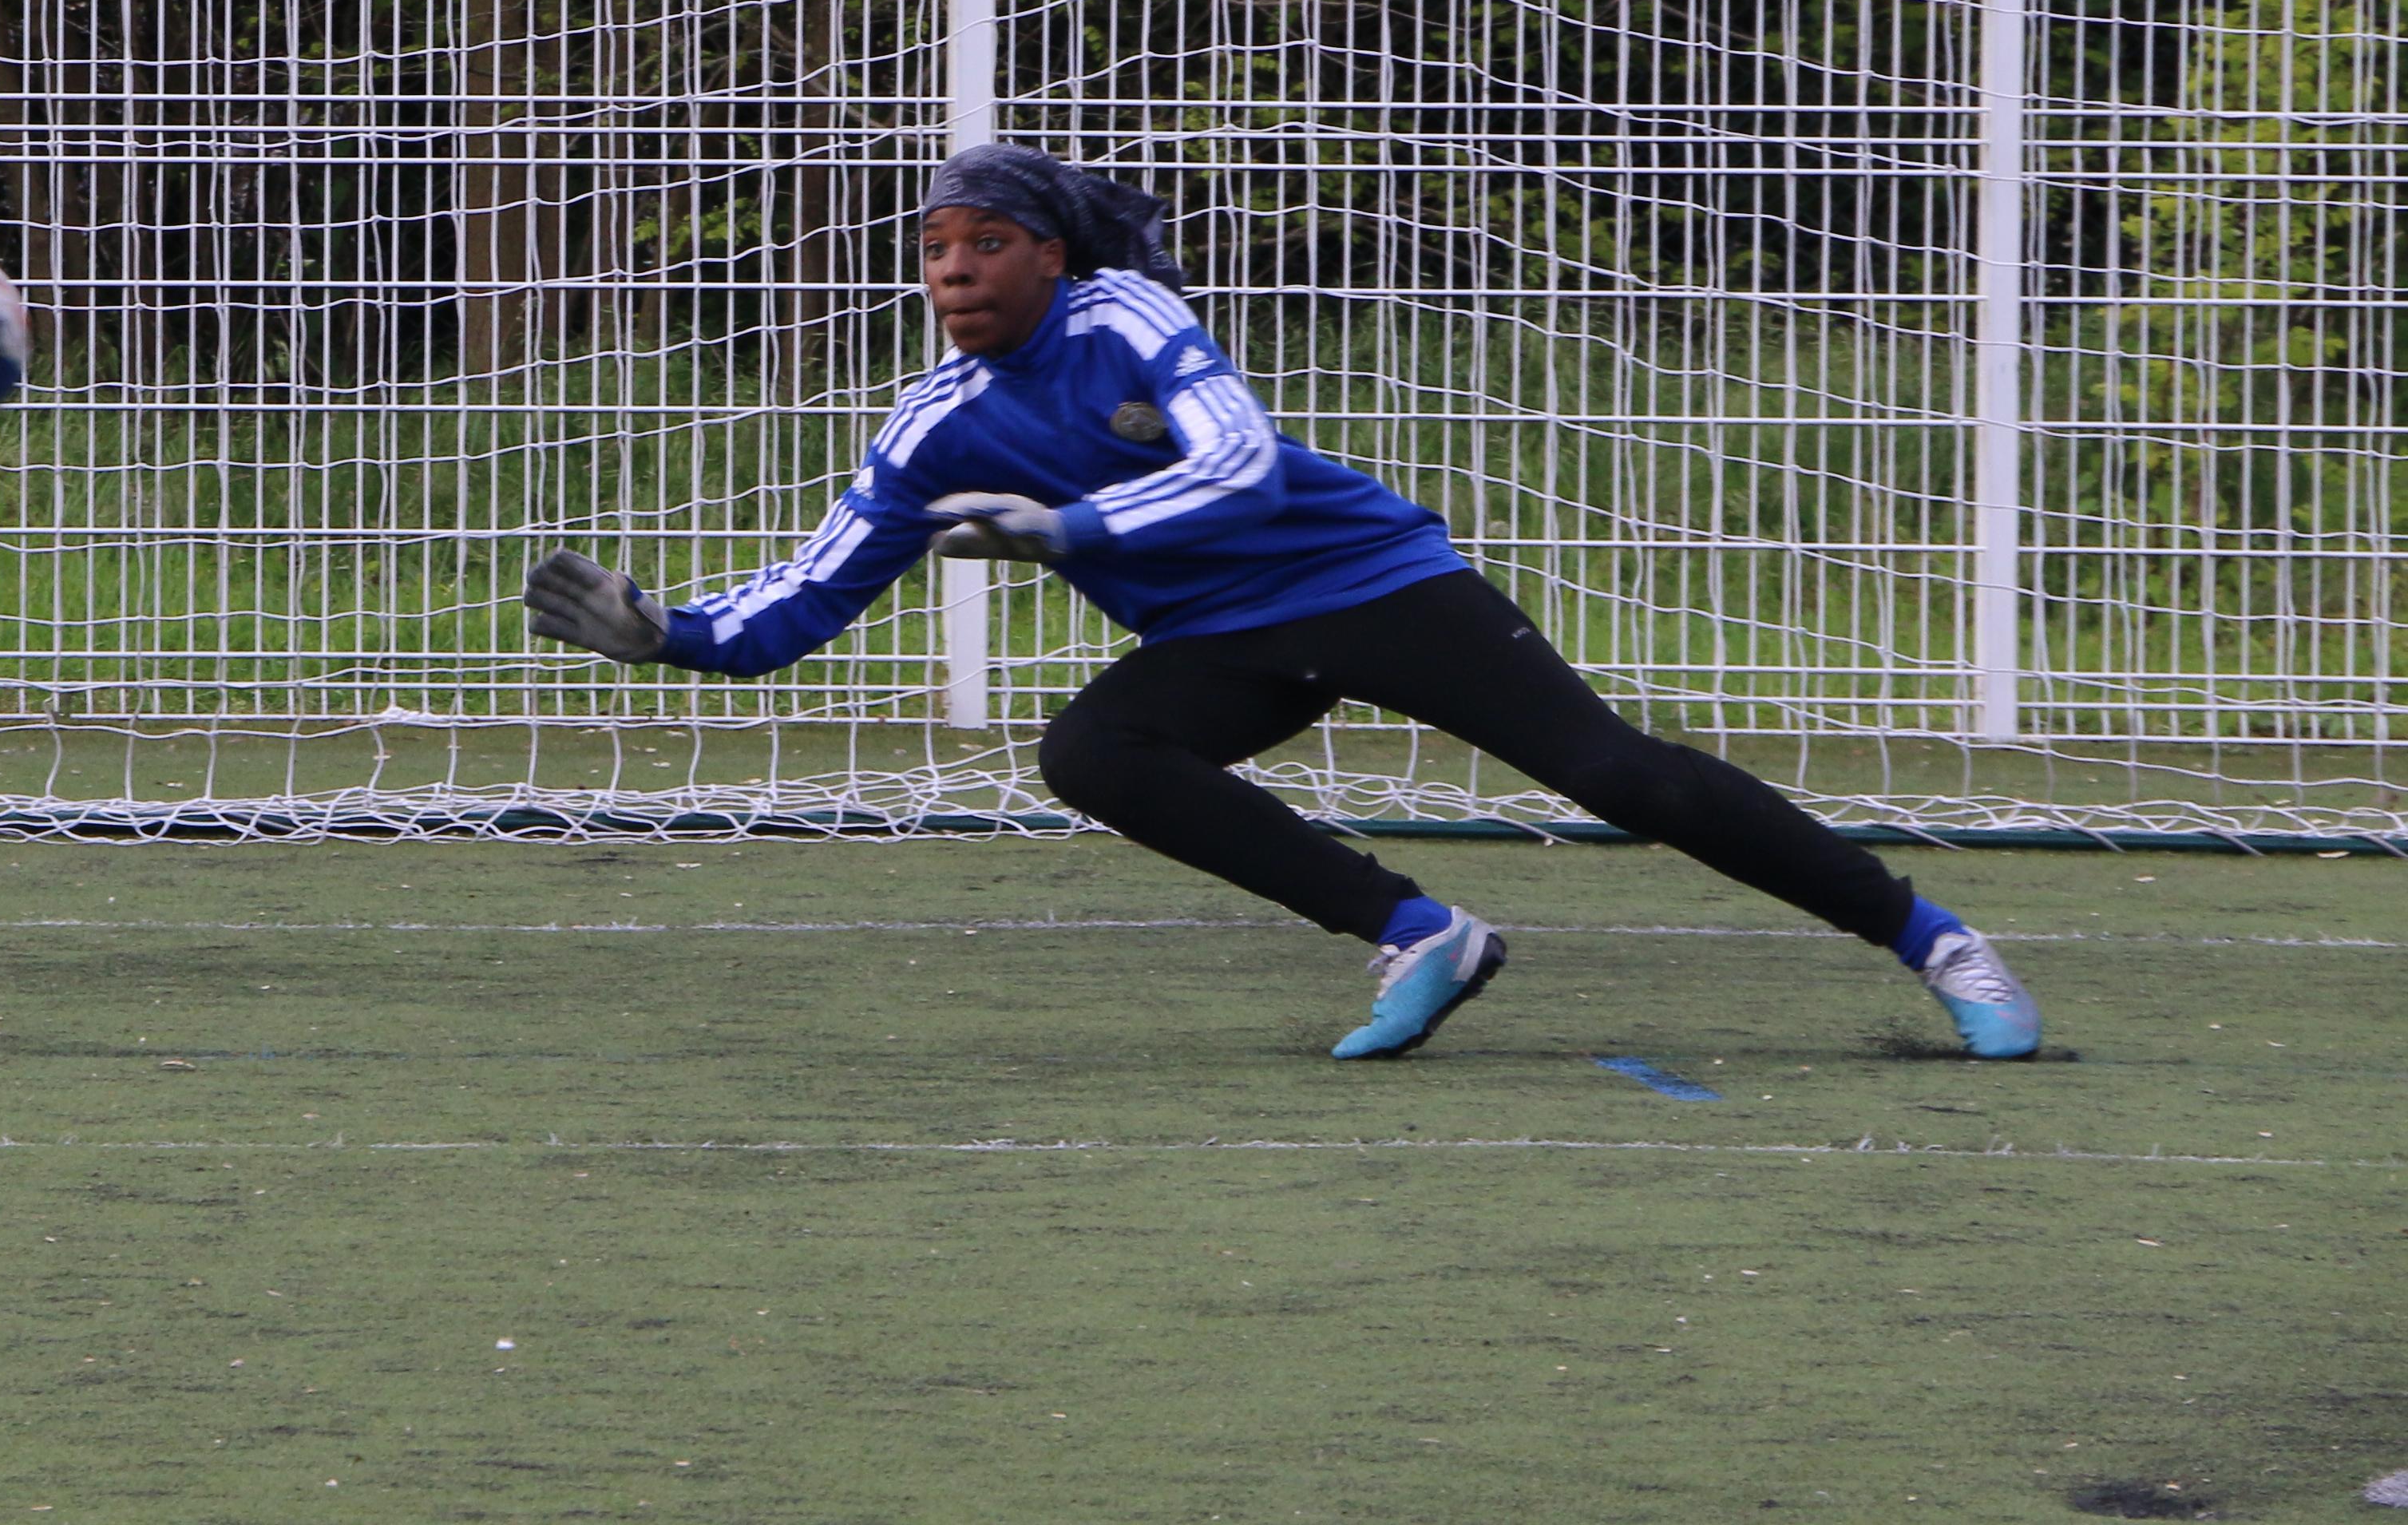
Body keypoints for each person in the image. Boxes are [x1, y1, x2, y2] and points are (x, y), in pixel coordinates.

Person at [521, 144, 2041, 1062]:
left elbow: (1242, 468)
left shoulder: (1132, 317)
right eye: (933, 247)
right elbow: (808, 597)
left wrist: (1072, 525)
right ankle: (1419, 933)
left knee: (1620, 778)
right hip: (1223, 644)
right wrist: (675, 637)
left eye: (987, 243)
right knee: (1094, 755)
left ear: (1051, 256)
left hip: (1373, 581)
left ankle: (1930, 939)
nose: (954, 269)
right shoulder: (932, 427)